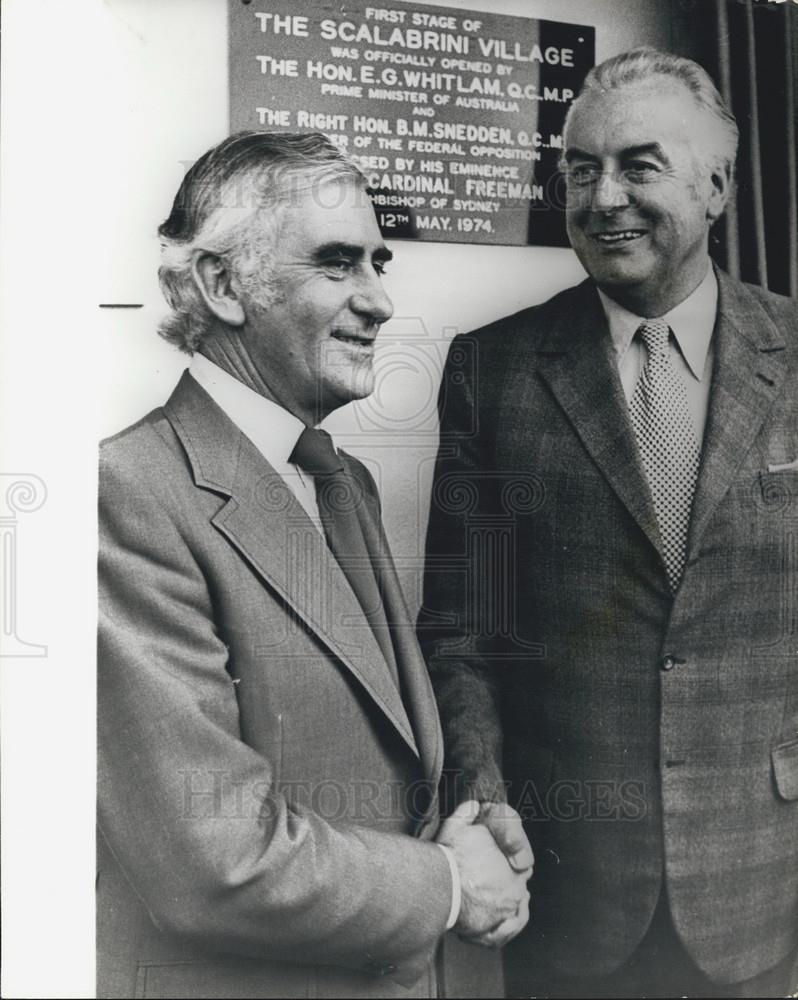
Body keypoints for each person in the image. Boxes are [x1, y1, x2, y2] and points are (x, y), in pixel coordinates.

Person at [97, 131, 533, 1000]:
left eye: (379, 260)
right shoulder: (126, 490)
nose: (379, 300)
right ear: (222, 285)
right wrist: (448, 885)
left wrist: (470, 819)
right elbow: (213, 858)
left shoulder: (341, 479)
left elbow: (385, 750)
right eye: (339, 264)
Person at [419, 48, 798, 999]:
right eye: (580, 170)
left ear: (716, 186)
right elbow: (467, 630)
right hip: (571, 886)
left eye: (638, 164)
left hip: (768, 878)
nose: (602, 198)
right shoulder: (493, 371)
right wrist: (481, 792)